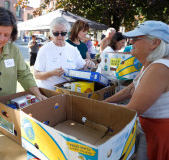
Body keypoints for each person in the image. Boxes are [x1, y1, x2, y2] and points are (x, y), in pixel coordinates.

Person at [104, 20, 169, 160]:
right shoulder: (151, 63)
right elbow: (132, 88)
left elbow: (133, 109)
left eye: (135, 38)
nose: (130, 42)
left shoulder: (159, 68)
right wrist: (104, 102)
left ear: (155, 43)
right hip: (149, 129)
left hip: (158, 134)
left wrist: (98, 110)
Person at [34, 17, 95, 90]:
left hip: (66, 92)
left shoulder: (73, 50)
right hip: (47, 92)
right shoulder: (44, 50)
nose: (59, 36)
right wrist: (52, 73)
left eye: (63, 33)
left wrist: (88, 64)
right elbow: (37, 75)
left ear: (67, 32)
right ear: (51, 33)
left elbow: (82, 67)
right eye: (56, 33)